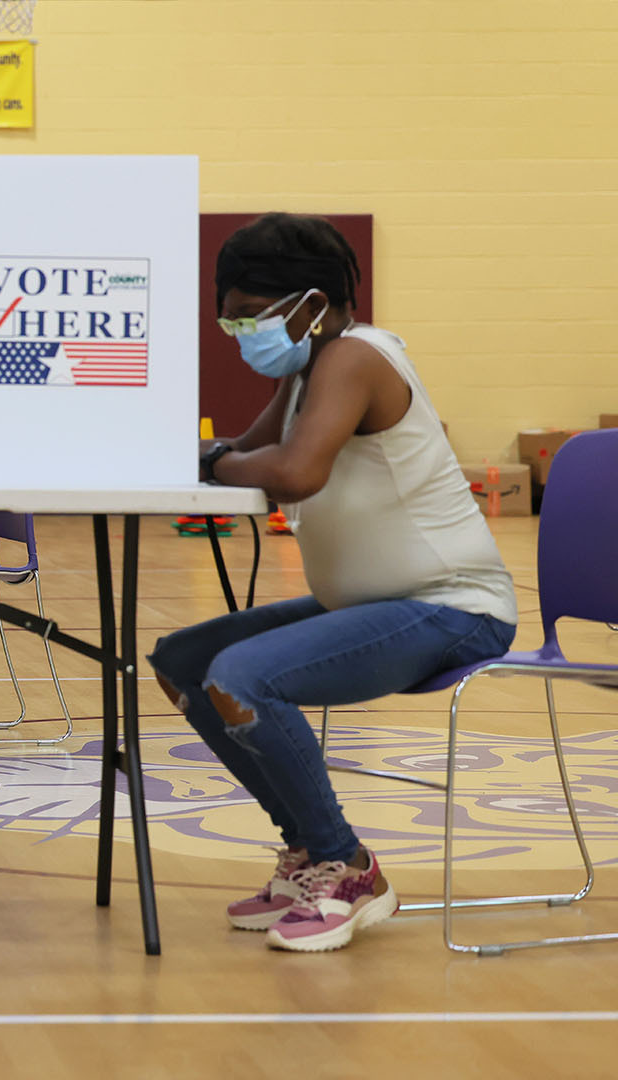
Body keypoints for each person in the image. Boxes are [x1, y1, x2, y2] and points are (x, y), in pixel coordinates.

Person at [150, 213, 517, 953]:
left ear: (311, 305)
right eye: (231, 320)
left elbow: (290, 470)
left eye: (251, 317)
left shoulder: (353, 357)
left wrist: (217, 462)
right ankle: (306, 856)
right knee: (183, 662)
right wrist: (206, 456)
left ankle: (348, 865)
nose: (241, 332)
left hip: (452, 606)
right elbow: (241, 450)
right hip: (375, 603)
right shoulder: (308, 370)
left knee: (242, 678)